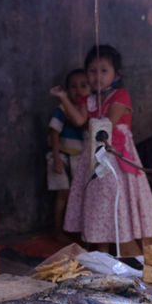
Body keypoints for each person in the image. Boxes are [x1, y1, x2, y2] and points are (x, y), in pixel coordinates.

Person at [62, 44, 152, 254]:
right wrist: (64, 98)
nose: (97, 76)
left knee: (122, 208)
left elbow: (107, 123)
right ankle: (103, 258)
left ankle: (141, 257)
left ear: (117, 74)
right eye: (92, 70)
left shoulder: (121, 96)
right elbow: (80, 119)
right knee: (100, 208)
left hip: (115, 159)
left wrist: (93, 114)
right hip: (95, 158)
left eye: (104, 71)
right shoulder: (89, 100)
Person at [47, 69, 89, 238]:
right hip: (61, 155)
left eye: (83, 86)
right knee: (63, 192)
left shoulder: (90, 109)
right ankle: (57, 230)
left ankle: (75, 230)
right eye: (72, 87)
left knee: (79, 194)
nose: (78, 90)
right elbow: (54, 134)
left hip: (80, 158)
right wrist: (56, 159)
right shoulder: (62, 109)